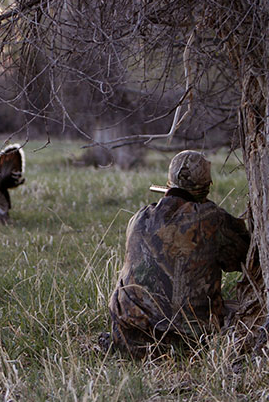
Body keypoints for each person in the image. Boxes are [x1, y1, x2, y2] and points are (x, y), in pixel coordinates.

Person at [106, 150, 250, 357]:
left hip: (129, 337)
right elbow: (244, 256)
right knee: (248, 309)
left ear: (169, 182)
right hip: (188, 342)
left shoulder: (138, 218)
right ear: (205, 187)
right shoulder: (212, 218)